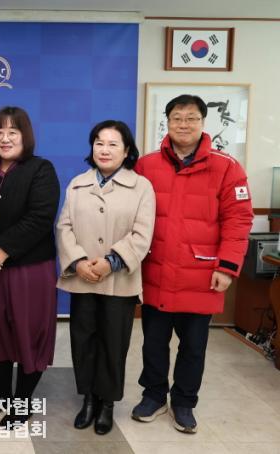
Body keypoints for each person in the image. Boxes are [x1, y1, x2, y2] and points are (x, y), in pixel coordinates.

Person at [131, 95, 253, 433]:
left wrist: (227, 267)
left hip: (202, 274)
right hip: (156, 272)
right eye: (177, 118)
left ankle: (184, 402)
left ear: (202, 122)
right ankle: (153, 396)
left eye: (191, 118)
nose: (183, 124)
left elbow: (239, 220)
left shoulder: (227, 167)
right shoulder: (147, 165)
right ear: (167, 121)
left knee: (194, 347)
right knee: (153, 343)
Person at [56, 120, 155, 435]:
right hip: (82, 277)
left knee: (113, 343)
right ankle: (88, 399)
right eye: (99, 142)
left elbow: (142, 233)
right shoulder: (77, 184)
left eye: (113, 144)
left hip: (119, 280)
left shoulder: (142, 187)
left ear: (126, 151)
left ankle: (107, 403)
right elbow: (64, 227)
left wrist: (111, 262)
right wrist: (78, 262)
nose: (105, 149)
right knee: (83, 340)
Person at [0, 106, 60, 428]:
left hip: (29, 270)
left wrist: (4, 250)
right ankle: (3, 395)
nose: (5, 138)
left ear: (26, 137)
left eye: (13, 132)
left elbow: (40, 217)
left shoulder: (41, 169)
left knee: (28, 332)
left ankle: (22, 401)